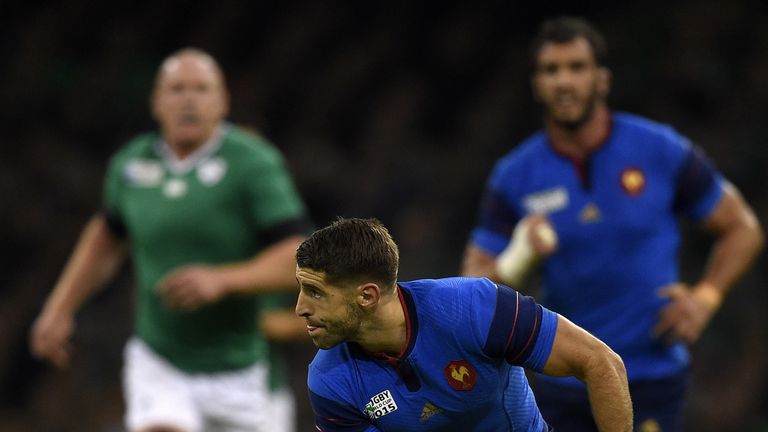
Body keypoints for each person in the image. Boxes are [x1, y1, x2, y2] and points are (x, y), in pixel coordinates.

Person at [461, 16, 764, 432]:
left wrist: (706, 298)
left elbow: (743, 227)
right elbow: (471, 284)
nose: (564, 81)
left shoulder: (659, 149)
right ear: (536, 84)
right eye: (551, 70)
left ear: (602, 79)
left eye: (577, 67)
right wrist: (518, 259)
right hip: (561, 380)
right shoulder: (514, 176)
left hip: (650, 378)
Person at [29, 48, 312, 432]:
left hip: (239, 370)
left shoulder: (254, 164)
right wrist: (60, 307)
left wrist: (222, 279)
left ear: (222, 101)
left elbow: (299, 256)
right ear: (156, 102)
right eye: (177, 89)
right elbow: (107, 235)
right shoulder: (131, 164)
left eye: (201, 89)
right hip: (160, 358)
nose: (189, 99)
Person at [294, 217, 633, 431]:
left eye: (314, 292)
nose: (300, 308)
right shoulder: (329, 382)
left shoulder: (472, 308)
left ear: (367, 296)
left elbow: (602, 362)